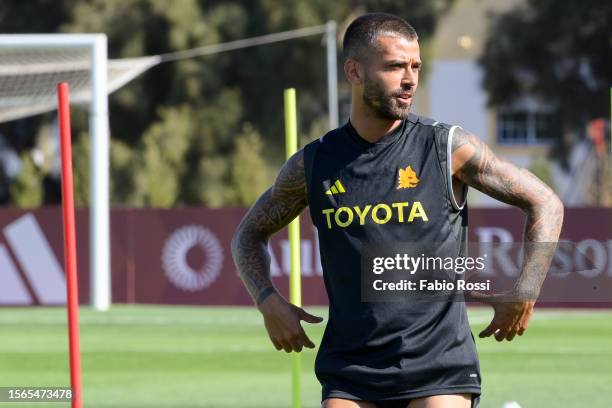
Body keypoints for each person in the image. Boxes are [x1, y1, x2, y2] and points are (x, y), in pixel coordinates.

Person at [231, 12, 563, 408]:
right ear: (354, 71)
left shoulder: (446, 148)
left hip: (439, 364)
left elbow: (545, 201)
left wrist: (526, 290)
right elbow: (248, 234)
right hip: (351, 368)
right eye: (394, 67)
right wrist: (268, 300)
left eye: (415, 66)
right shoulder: (314, 163)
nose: (410, 79)